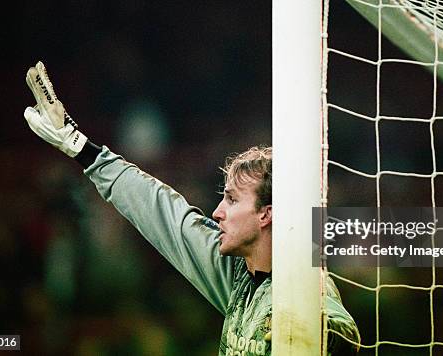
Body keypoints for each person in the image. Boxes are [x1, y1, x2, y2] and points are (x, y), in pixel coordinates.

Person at [23, 61, 359, 355]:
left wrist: (323, 332)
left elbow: (335, 323)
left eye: (231, 199)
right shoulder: (236, 274)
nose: (217, 212)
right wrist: (78, 145)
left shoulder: (302, 287)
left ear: (266, 214)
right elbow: (159, 209)